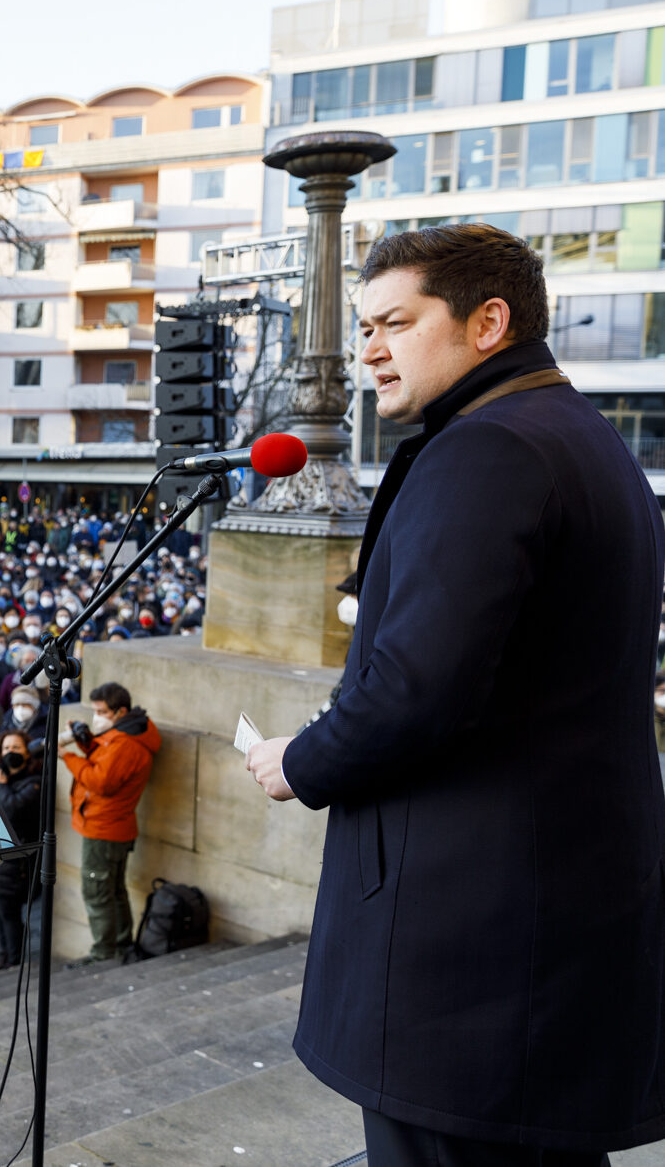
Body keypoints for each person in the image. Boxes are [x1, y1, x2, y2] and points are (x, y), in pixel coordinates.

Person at [245, 224, 665, 1164]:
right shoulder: (581, 439)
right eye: (361, 328)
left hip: (469, 952)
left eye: (395, 322)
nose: (368, 350)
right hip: (549, 931)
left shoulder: (490, 451)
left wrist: (296, 762)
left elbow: (414, 692)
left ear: (488, 322)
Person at [59, 681, 158, 967]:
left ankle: (105, 952)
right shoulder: (125, 733)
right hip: (111, 826)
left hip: (104, 828)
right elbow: (105, 761)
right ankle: (121, 943)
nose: (97, 716)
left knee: (98, 892)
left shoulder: (127, 743)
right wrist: (85, 741)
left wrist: (67, 756)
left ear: (120, 711)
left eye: (101, 711)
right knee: (113, 890)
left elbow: (102, 781)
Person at [0, 727, 41, 971]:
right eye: (6, 748)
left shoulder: (35, 782)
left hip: (17, 860)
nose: (11, 752)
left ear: (27, 753)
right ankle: (4, 951)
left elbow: (13, 810)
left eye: (16, 747)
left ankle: (13, 957)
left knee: (9, 910)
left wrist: (1, 786)